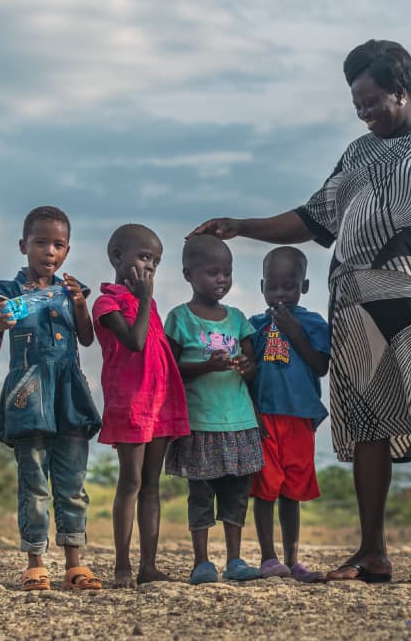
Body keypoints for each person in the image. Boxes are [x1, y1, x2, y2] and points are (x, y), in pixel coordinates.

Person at [191, 39, 411, 584]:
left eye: (372, 101)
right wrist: (243, 225)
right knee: (366, 422)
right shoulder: (358, 154)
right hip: (359, 310)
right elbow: (313, 220)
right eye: (356, 104)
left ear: (402, 90)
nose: (363, 113)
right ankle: (371, 552)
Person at [0, 205, 104, 591]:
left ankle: (75, 565)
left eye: (58, 244)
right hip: (28, 394)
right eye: (40, 243)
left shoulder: (72, 291)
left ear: (67, 251)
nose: (48, 251)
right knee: (34, 481)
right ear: (24, 246)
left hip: (68, 394)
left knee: (72, 482)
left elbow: (86, 338)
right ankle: (35, 562)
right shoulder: (8, 291)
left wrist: (81, 303)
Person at [163, 234, 266, 585]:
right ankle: (202, 562)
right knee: (202, 493)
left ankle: (235, 560)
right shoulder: (179, 318)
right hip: (200, 421)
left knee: (237, 494)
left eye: (227, 272)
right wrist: (207, 365)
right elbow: (172, 369)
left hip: (238, 420)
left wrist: (242, 365)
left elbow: (253, 367)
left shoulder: (237, 319)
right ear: (188, 274)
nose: (221, 279)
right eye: (212, 272)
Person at [92, 224, 190, 587]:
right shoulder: (107, 303)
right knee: (130, 481)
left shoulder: (149, 305)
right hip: (131, 403)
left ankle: (149, 567)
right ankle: (122, 567)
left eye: (156, 262)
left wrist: (147, 301)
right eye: (144, 257)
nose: (150, 268)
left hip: (160, 403)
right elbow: (133, 343)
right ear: (118, 257)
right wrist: (146, 299)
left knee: (152, 484)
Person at [247, 247, 329, 583]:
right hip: (264, 415)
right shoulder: (254, 326)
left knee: (292, 490)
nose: (280, 294)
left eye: (289, 286)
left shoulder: (313, 323)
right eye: (274, 287)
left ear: (304, 286)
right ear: (262, 286)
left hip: (299, 416)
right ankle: (269, 558)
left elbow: (321, 365)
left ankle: (294, 560)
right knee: (266, 487)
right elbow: (248, 371)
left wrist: (294, 330)